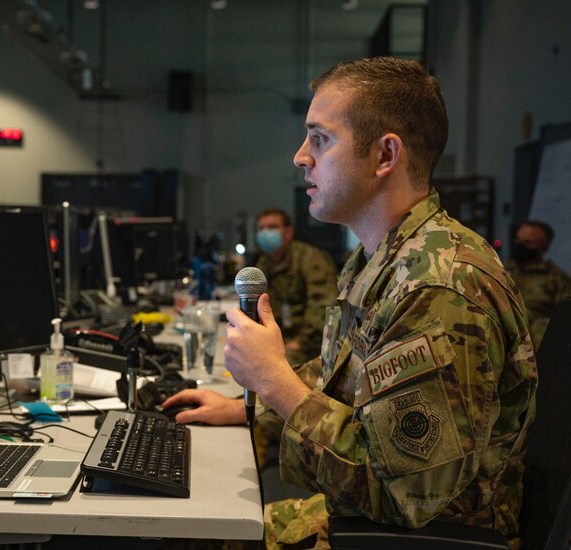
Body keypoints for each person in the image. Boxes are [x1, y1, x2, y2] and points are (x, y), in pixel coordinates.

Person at [163, 57, 537, 549]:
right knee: (193, 521)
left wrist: (275, 382)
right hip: (375, 523)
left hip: (418, 537)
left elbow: (407, 496)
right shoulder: (382, 257)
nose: (300, 157)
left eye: (320, 139)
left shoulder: (441, 290)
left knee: (194, 537)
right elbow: (347, 376)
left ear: (385, 156)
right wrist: (250, 407)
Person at [254, 208, 338, 366]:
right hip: (280, 340)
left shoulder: (310, 259)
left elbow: (323, 306)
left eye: (272, 227)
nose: (265, 233)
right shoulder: (263, 263)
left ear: (288, 233)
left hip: (312, 345)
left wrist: (301, 343)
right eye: (261, 228)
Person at [506, 220, 571, 350]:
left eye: (528, 243)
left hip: (535, 347)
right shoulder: (501, 271)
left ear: (544, 248)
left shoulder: (556, 279)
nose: (520, 245)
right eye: (518, 240)